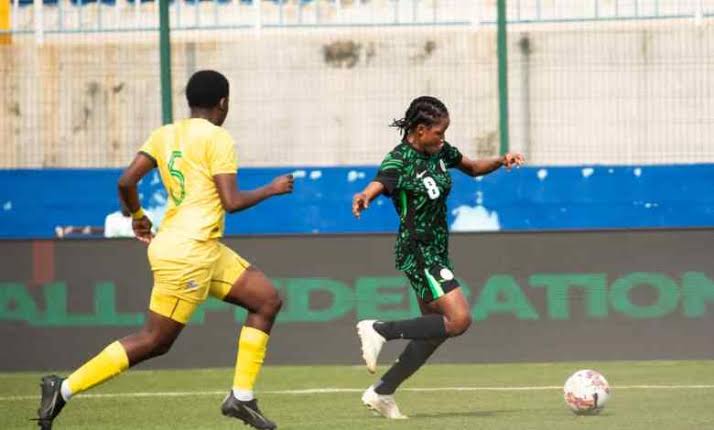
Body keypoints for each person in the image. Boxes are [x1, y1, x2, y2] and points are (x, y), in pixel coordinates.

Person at [36, 70, 293, 430]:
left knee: (266, 300)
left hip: (197, 246)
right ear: (223, 103)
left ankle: (241, 397)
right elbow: (231, 202)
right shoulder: (218, 138)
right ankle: (62, 389)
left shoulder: (165, 134)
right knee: (154, 341)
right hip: (189, 254)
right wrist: (271, 189)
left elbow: (126, 181)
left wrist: (137, 216)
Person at [352, 96, 524, 419]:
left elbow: (472, 168)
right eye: (438, 132)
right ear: (419, 130)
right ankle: (379, 329)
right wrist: (365, 195)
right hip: (419, 249)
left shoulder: (439, 151)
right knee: (459, 320)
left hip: (437, 249)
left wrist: (501, 160)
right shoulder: (399, 160)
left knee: (432, 333)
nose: (443, 139)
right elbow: (381, 181)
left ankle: (382, 391)